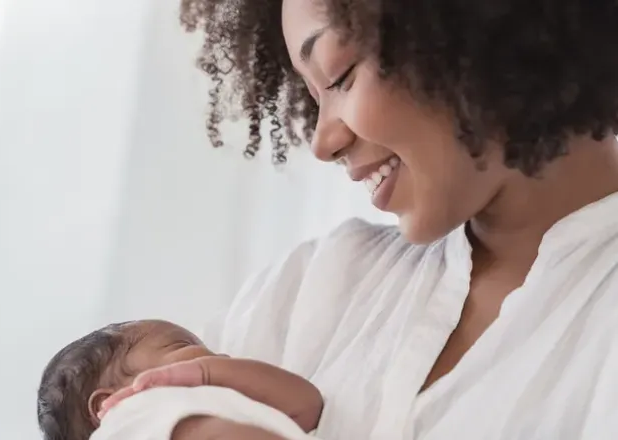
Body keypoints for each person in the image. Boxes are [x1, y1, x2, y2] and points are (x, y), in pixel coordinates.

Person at [93, 0, 618, 438]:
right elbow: (122, 416)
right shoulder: (317, 282)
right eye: (310, 95)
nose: (324, 141)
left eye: (338, 76)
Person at [36, 320, 321, 440]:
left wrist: (209, 371)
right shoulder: (131, 413)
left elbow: (307, 407)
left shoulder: (223, 407)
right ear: (105, 404)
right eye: (181, 345)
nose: (217, 355)